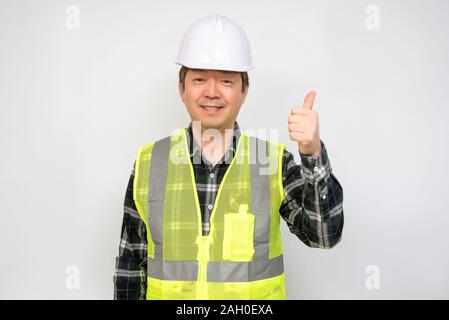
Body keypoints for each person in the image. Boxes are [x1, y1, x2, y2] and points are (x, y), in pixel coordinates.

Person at [113, 14, 344, 300]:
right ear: (181, 89)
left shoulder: (272, 162)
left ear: (244, 91)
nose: (212, 92)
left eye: (226, 81)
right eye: (199, 79)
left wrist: (312, 153)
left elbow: (323, 235)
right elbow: (130, 269)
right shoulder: (150, 163)